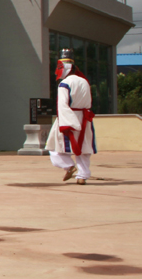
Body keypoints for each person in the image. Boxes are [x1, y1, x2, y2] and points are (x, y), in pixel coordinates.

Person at [46, 49, 95, 185]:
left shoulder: (64, 84)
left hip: (68, 116)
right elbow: (89, 102)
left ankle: (68, 166)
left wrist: (67, 123)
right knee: (83, 148)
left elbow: (62, 104)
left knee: (54, 147)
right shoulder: (84, 81)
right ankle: (82, 175)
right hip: (84, 118)